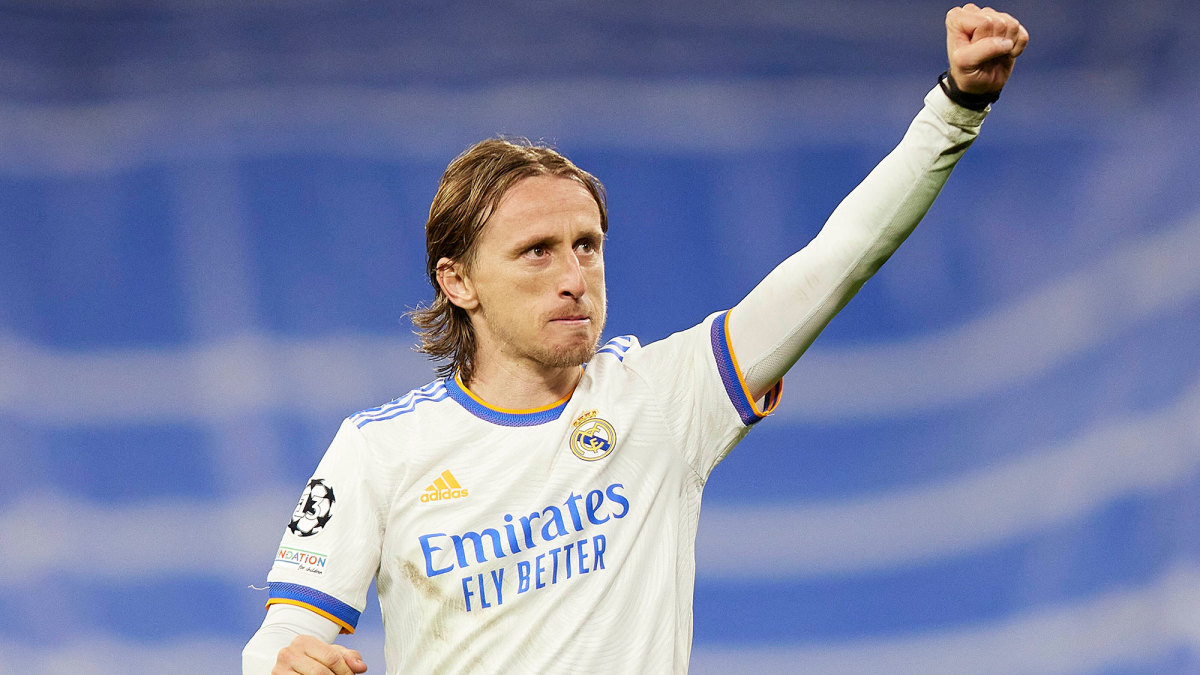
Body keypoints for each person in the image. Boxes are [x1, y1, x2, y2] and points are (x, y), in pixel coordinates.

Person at [243, 4, 1029, 673]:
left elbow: (838, 260)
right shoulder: (378, 450)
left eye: (587, 245)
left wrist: (955, 110)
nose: (573, 276)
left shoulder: (664, 397)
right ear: (458, 282)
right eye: (537, 251)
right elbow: (283, 633)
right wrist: (285, 660)